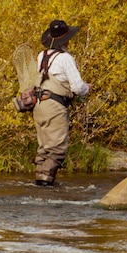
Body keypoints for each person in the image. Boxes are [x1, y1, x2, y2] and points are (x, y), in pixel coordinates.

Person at [33, 19, 91, 186]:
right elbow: (77, 87)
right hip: (55, 105)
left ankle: (40, 182)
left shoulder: (41, 55)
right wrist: (87, 88)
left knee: (44, 147)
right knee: (56, 148)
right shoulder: (65, 58)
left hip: (39, 105)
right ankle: (46, 184)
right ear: (65, 40)